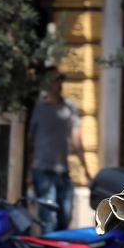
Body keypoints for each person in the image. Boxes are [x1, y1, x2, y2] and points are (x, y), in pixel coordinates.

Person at [28, 71, 85, 232]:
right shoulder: (39, 108)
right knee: (48, 218)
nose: (59, 85)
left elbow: (76, 138)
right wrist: (28, 171)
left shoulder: (69, 107)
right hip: (42, 170)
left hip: (62, 170)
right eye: (55, 81)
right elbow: (30, 140)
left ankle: (58, 245)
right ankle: (46, 246)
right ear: (48, 84)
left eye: (60, 81)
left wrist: (85, 168)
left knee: (66, 214)